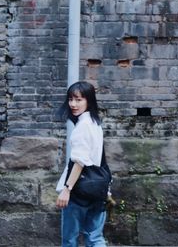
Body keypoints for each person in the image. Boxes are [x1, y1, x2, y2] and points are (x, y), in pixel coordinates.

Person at [56, 81, 107, 247]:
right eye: (71, 99)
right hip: (98, 187)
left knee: (69, 240)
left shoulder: (83, 127)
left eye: (78, 100)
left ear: (89, 101)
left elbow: (79, 162)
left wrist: (67, 189)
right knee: (95, 238)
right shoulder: (95, 124)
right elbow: (100, 159)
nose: (73, 104)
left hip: (79, 190)